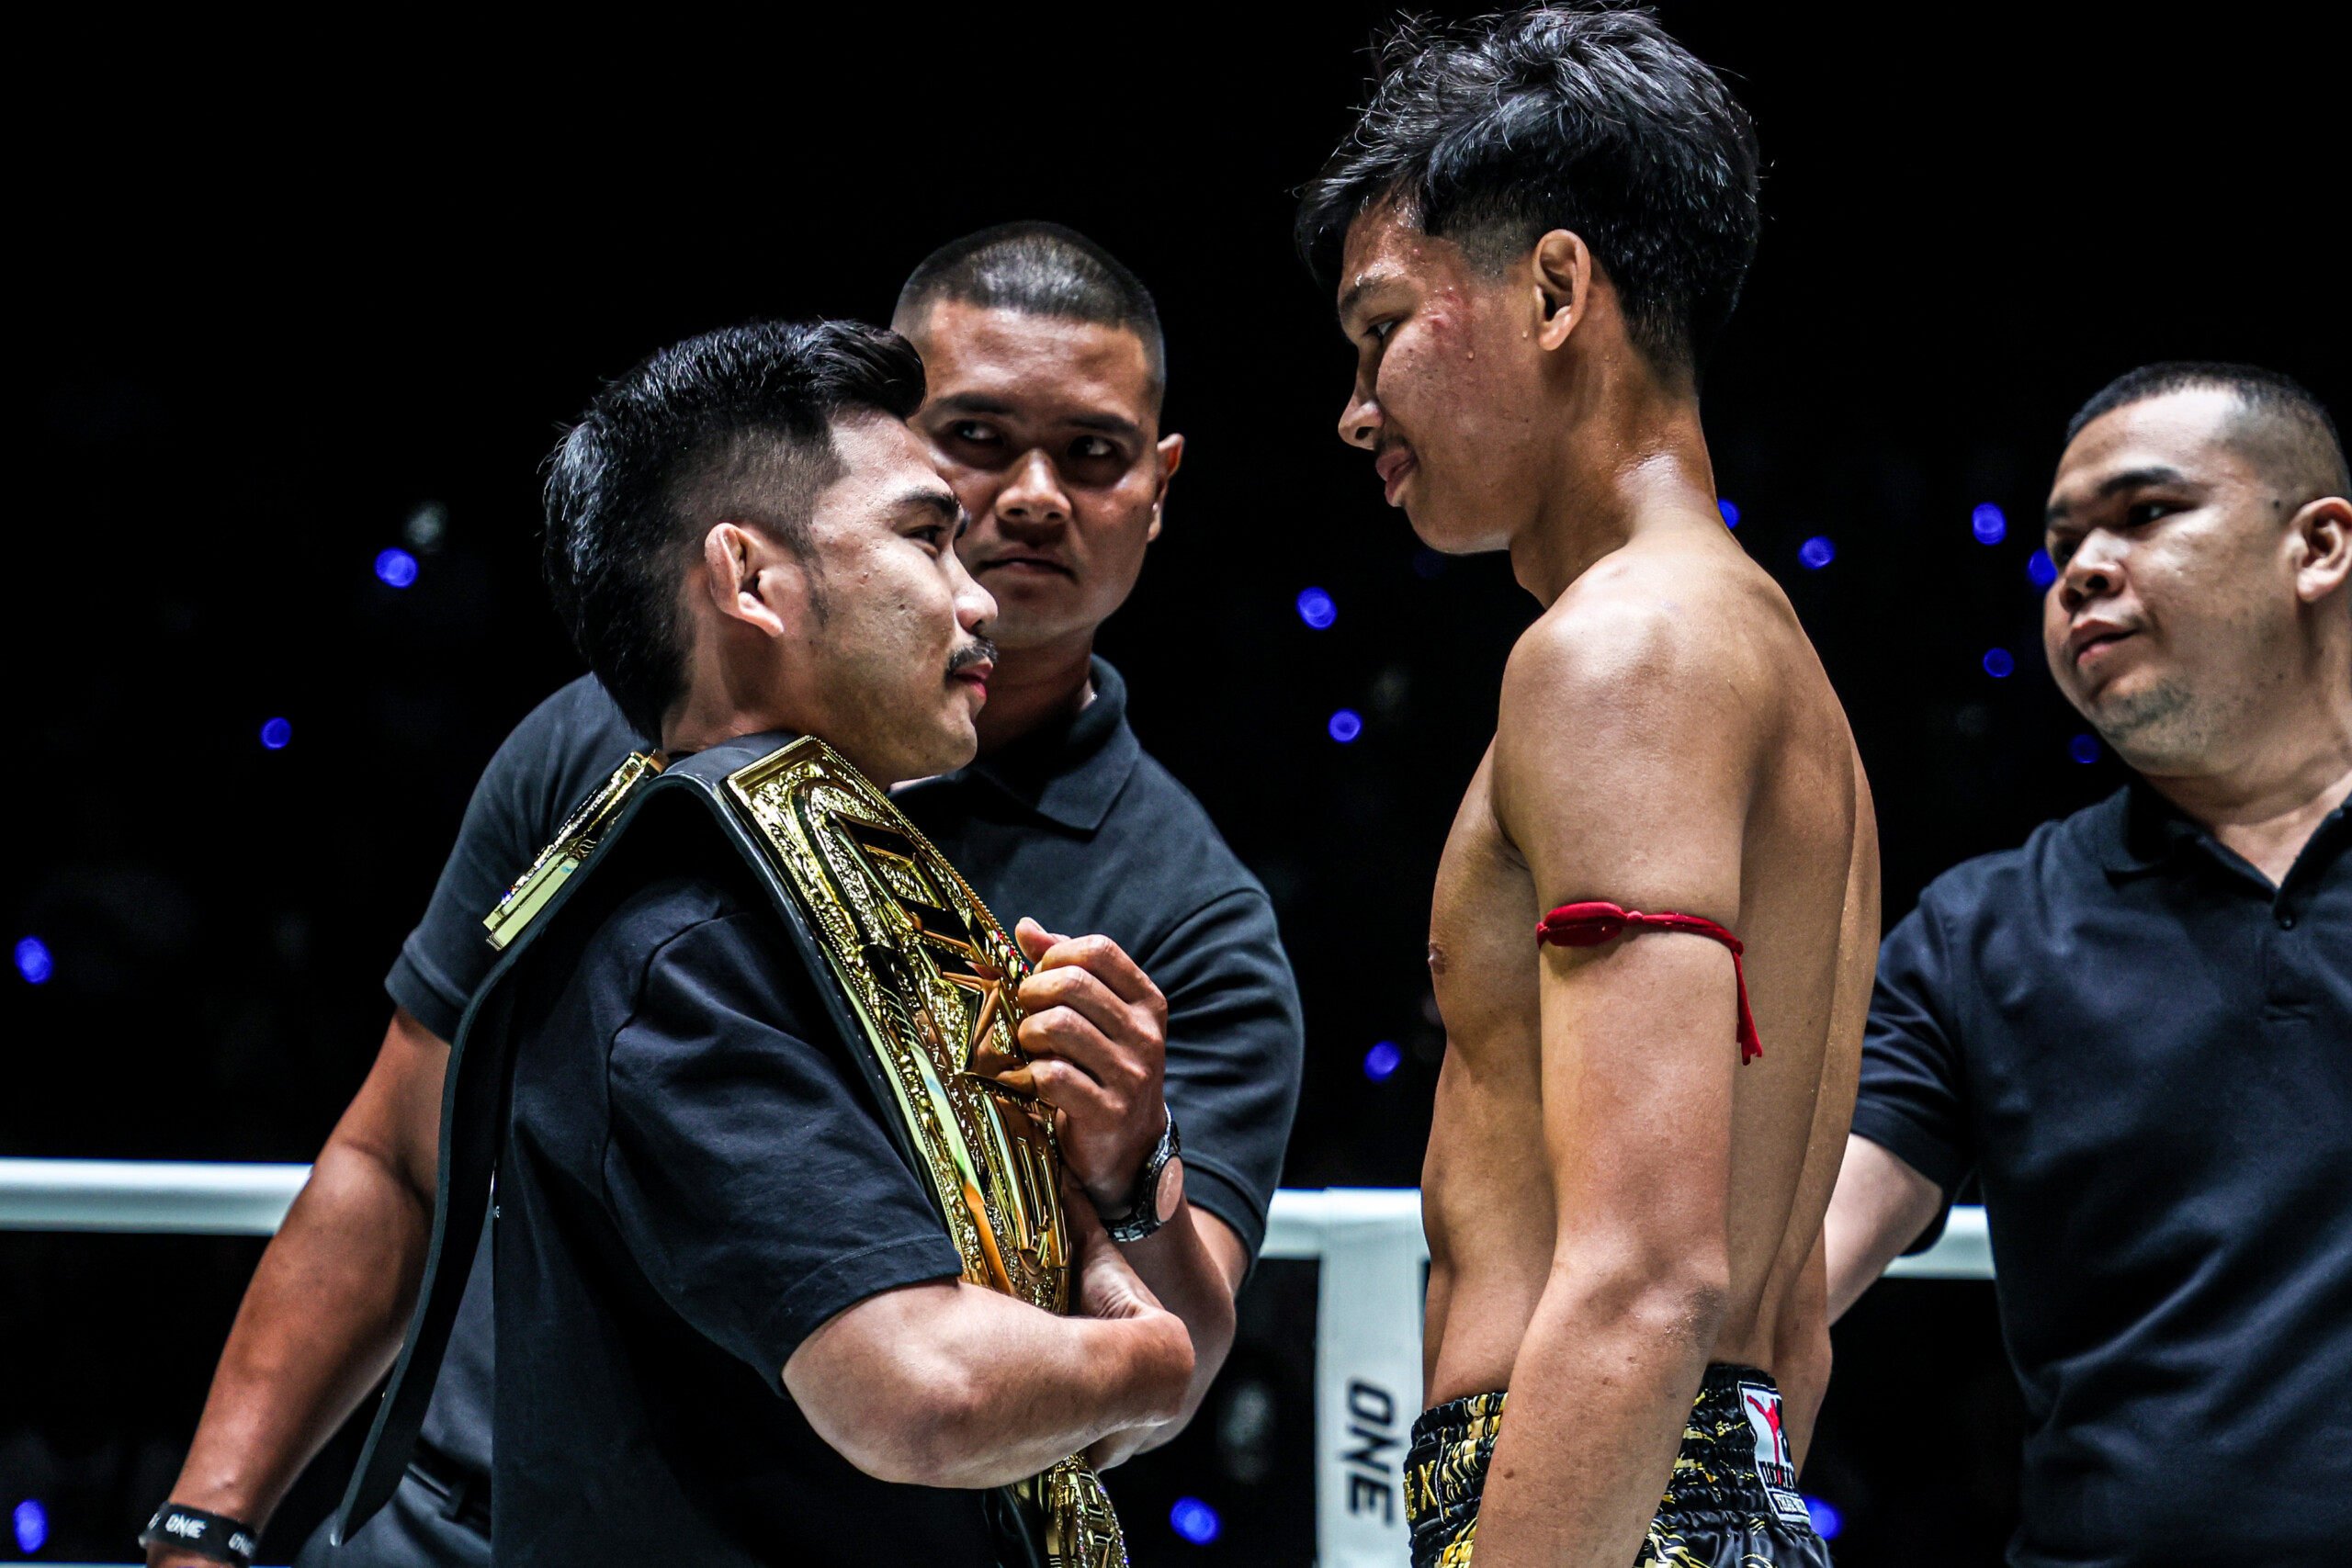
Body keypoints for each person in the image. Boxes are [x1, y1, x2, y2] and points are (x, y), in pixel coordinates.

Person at [148, 226, 1303, 1568]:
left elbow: (1131, 1370)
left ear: (1159, 484)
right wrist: (206, 1523)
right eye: (967, 457)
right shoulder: (639, 836)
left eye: (1091, 453)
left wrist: (1135, 1173)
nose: (1028, 505)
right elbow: (404, 1160)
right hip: (500, 1515)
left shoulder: (1189, 910)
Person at [1295, 9, 1877, 1566]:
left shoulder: (1625, 651)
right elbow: (1790, 1323)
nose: (1357, 408)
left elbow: (1647, 1278)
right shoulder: (1769, 658)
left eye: (1381, 330)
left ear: (1557, 291)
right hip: (1684, 1497)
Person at [1824, 362, 2352, 1566]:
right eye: (2063, 544)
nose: (2082, 571)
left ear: (2318, 547)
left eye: (2146, 513)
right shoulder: (1981, 931)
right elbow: (1786, 1272)